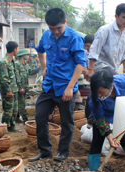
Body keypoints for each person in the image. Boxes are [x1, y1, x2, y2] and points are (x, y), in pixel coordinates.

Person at [29, 8, 86, 162]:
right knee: (40, 116)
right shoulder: (46, 35)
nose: (55, 32)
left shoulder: (75, 37)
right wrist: (44, 67)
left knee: (66, 121)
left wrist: (70, 87)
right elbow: (40, 51)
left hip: (66, 87)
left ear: (65, 22)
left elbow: (81, 64)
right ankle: (45, 151)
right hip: (49, 85)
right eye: (52, 28)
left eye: (58, 28)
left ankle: (63, 152)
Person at [85, 3, 125, 78]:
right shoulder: (105, 30)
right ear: (116, 16)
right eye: (124, 17)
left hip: (114, 68)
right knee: (120, 82)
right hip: (101, 66)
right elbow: (94, 50)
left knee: (116, 85)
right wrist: (91, 70)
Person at [0, 41, 20, 132]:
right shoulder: (4, 61)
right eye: (17, 49)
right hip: (8, 91)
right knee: (8, 110)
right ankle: (4, 127)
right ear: (14, 50)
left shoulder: (12, 60)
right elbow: (4, 78)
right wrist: (8, 90)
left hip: (14, 89)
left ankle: (11, 126)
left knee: (15, 110)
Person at [15, 49, 41, 122]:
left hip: (24, 87)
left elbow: (31, 72)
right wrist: (20, 87)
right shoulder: (17, 64)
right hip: (20, 88)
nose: (29, 56)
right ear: (23, 55)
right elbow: (17, 77)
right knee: (21, 104)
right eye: (27, 55)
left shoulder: (25, 64)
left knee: (20, 103)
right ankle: (25, 119)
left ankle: (17, 118)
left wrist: (39, 68)